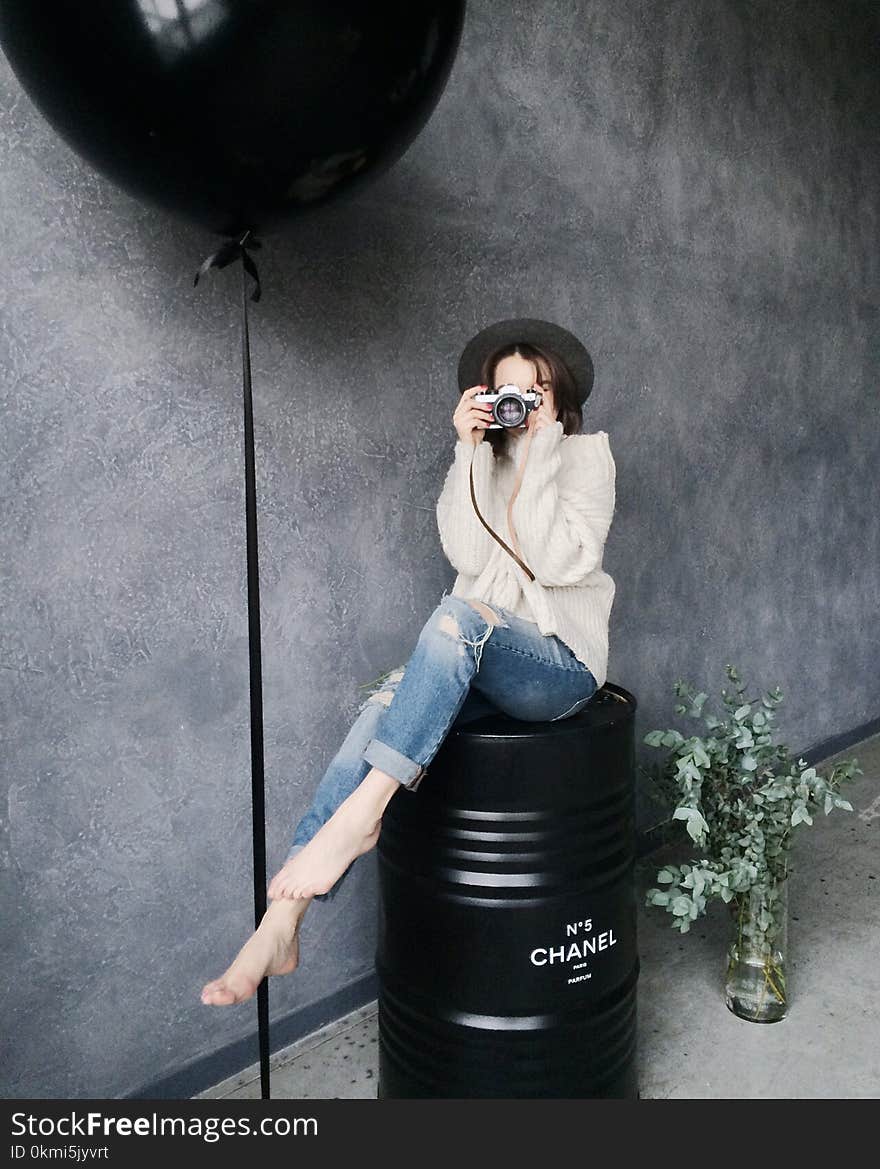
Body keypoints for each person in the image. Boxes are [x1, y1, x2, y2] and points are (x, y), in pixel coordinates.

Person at [201, 317, 617, 1006]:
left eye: (535, 390)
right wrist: (468, 452)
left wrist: (543, 456)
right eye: (506, 393)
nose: (521, 405)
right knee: (386, 700)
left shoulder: (588, 456)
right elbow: (469, 556)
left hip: (558, 668)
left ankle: (361, 817)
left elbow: (557, 562)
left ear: (558, 394)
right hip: (483, 653)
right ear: (487, 400)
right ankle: (282, 922)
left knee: (455, 616)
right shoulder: (486, 457)